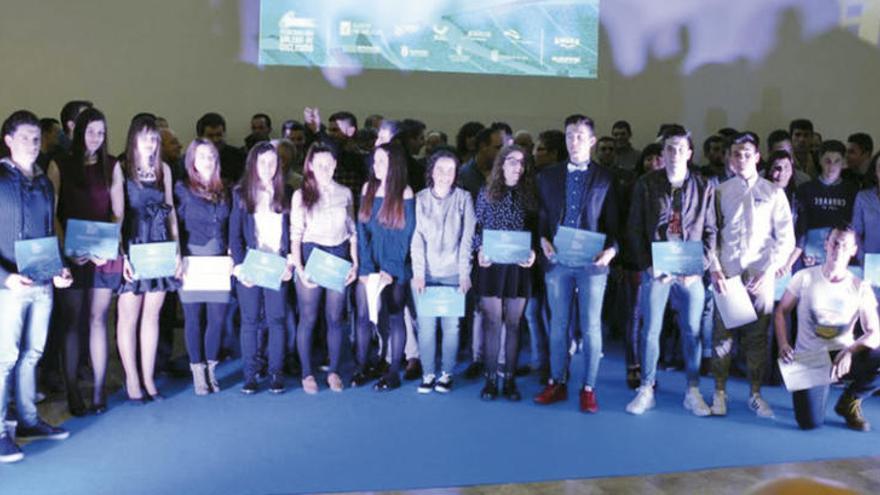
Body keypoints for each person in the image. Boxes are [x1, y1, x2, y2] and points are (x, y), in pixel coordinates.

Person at [625, 125, 716, 416]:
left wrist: (699, 267)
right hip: (658, 269)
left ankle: (692, 390)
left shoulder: (705, 186)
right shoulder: (646, 183)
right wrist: (649, 266)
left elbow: (712, 231)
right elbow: (635, 228)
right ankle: (647, 387)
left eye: (680, 148)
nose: (675, 153)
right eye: (669, 148)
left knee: (692, 331)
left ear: (689, 153)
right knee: (651, 330)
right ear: (662, 153)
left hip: (691, 271)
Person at [0, 110, 74, 464]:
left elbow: (48, 232)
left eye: (36, 137)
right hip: (8, 287)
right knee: (5, 360)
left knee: (32, 355)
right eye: (25, 137)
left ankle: (28, 420)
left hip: (43, 282)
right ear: (8, 140)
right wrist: (4, 277)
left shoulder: (44, 182)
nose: (33, 143)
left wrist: (60, 268)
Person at [533, 114, 620, 413]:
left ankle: (588, 387)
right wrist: (542, 240)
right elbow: (542, 219)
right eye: (570, 135)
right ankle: (557, 381)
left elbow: (614, 225)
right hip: (558, 261)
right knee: (558, 326)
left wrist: (612, 251)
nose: (574, 141)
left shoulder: (607, 178)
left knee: (591, 327)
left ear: (592, 141)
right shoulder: (547, 176)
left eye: (581, 135)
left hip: (593, 264)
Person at [708, 132, 795, 418]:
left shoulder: (773, 192)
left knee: (758, 340)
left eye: (747, 153)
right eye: (736, 154)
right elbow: (711, 236)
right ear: (729, 159)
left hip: (761, 276)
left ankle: (755, 394)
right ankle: (719, 391)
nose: (741, 158)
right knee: (722, 338)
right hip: (728, 275)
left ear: (757, 157)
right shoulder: (720, 192)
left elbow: (785, 239)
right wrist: (716, 269)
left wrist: (769, 269)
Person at [775, 225, 880, 430]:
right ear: (826, 245)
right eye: (835, 243)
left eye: (844, 245)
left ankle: (849, 401)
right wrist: (783, 344)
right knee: (810, 423)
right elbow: (780, 312)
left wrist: (851, 351)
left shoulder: (860, 287)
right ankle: (814, 390)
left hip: (842, 357)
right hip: (809, 359)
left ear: (853, 250)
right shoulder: (804, 277)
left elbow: (875, 333)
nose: (838, 249)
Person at [53, 108, 123, 415]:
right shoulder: (60, 165)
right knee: (71, 322)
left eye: (101, 132)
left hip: (103, 254)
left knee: (98, 320)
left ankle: (97, 388)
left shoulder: (112, 166)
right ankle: (72, 390)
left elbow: (117, 213)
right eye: (90, 131)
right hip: (72, 254)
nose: (95, 138)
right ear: (77, 132)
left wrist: (107, 246)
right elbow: (52, 213)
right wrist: (66, 248)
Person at [116, 114, 181, 403]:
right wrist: (121, 256)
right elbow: (116, 216)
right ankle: (131, 379)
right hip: (133, 246)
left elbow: (171, 213)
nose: (152, 142)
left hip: (159, 248)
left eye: (155, 137)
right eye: (146, 137)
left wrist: (177, 250)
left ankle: (149, 378)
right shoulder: (120, 168)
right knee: (128, 317)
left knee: (152, 316)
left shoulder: (163, 169)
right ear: (133, 138)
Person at [290, 143, 358, 394]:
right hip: (312, 254)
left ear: (336, 165)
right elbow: (295, 235)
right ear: (309, 166)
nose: (325, 169)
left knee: (335, 318)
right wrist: (299, 267)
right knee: (308, 317)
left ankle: (334, 371)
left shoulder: (345, 193)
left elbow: (352, 231)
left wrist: (355, 261)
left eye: (329, 164)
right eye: (319, 165)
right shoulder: (301, 195)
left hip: (338, 254)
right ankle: (307, 372)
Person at [472, 145, 536, 401]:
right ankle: (489, 380)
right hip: (491, 266)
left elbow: (538, 229)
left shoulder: (531, 194)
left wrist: (534, 253)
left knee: (513, 324)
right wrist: (479, 250)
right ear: (501, 164)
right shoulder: (486, 193)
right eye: (512, 161)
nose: (517, 167)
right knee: (492, 323)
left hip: (519, 268)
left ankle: (508, 379)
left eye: (522, 163)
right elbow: (477, 228)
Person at [230, 141, 293, 394]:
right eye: (262, 162)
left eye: (272, 162)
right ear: (253, 164)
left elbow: (292, 233)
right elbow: (234, 236)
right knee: (249, 321)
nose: (268, 167)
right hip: (251, 264)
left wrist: (290, 263)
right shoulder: (240, 193)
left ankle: (276, 374)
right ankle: (250, 374)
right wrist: (240, 268)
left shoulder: (286, 192)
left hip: (278, 264)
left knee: (277, 320)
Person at [411, 149, 476, 393]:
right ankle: (428, 373)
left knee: (451, 328)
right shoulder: (419, 199)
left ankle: (446, 373)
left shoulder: (464, 199)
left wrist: (464, 274)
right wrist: (418, 274)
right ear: (431, 171)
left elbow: (467, 240)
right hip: (425, 274)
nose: (444, 175)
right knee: (426, 327)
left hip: (453, 274)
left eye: (450, 170)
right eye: (440, 169)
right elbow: (416, 239)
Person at [352, 141, 416, 391]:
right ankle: (361, 366)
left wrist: (389, 270)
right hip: (370, 264)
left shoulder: (406, 192)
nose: (375, 166)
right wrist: (366, 268)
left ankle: (392, 372)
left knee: (395, 315)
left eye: (382, 162)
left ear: (394, 165)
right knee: (362, 316)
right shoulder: (368, 188)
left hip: (395, 266)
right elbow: (362, 228)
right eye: (374, 161)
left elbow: (405, 236)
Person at [175, 139, 231, 395]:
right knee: (194, 320)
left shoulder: (226, 188)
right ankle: (197, 370)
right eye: (201, 156)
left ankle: (211, 368)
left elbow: (232, 224)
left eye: (211, 156)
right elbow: (173, 225)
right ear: (192, 161)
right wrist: (177, 256)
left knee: (217, 320)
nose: (207, 161)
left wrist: (232, 252)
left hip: (219, 261)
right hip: (191, 260)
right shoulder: (181, 189)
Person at [792, 140, 860, 269]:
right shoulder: (805, 189)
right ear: (820, 160)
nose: (832, 166)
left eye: (837, 161)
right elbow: (800, 227)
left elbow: (855, 227)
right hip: (810, 257)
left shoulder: (852, 191)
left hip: (841, 257)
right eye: (827, 161)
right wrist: (803, 253)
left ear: (844, 163)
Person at [196, 112, 246, 185]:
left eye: (219, 135)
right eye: (210, 136)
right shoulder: (191, 159)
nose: (215, 140)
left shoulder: (239, 156)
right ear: (200, 137)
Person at [852, 156, 880, 265]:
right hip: (870, 262)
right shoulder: (863, 197)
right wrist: (861, 256)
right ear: (875, 171)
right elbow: (856, 231)